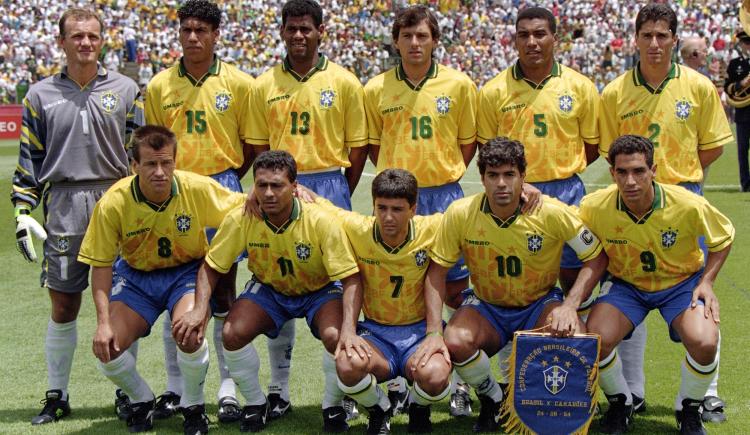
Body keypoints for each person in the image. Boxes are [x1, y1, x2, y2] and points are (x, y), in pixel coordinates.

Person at [598, 3, 733, 420]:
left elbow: (710, 145)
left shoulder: (697, 86)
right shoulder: (615, 92)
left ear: (674, 40)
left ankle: (702, 393)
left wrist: (676, 182)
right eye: (647, 35)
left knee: (696, 288)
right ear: (635, 39)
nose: (654, 43)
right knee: (631, 282)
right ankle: (633, 391)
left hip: (681, 200)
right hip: (632, 201)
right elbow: (610, 151)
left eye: (662, 35)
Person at [10, 8, 143, 425]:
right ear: (61, 41)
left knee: (121, 305)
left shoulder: (125, 88)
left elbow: (139, 156)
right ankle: (57, 394)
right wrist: (22, 209)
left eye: (93, 36)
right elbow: (29, 159)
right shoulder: (38, 95)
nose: (86, 43)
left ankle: (127, 391)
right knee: (65, 305)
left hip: (116, 201)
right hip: (64, 205)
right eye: (77, 36)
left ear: (102, 40)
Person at [429, 137, 607, 432]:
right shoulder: (461, 213)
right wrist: (434, 331)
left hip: (539, 304)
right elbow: (437, 272)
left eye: (509, 175)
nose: (501, 183)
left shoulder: (550, 212)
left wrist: (570, 305)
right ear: (481, 177)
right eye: (493, 175)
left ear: (523, 177)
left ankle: (558, 403)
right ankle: (493, 398)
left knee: (573, 332)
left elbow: (596, 257)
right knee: (455, 340)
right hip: (487, 307)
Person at [78, 125, 245, 434]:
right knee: (108, 345)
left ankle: (192, 406)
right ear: (134, 166)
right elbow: (100, 266)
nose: (159, 172)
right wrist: (101, 322)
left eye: (166, 163)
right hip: (136, 278)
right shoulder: (114, 202)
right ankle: (141, 399)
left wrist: (298, 192)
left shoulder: (195, 188)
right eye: (150, 164)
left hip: (185, 274)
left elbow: (246, 205)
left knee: (190, 334)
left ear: (175, 162)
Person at [180, 150, 362, 433]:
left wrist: (350, 328)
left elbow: (350, 278)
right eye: (261, 185)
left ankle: (332, 406)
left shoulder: (321, 219)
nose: (268, 193)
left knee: (336, 337)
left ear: (295, 186)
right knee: (232, 332)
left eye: (276, 185)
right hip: (270, 288)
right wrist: (199, 308)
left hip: (319, 289)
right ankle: (255, 403)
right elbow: (211, 266)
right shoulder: (244, 216)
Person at [246, 0, 368, 418]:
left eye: (306, 29)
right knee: (280, 280)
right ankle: (278, 390)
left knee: (337, 285)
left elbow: (358, 147)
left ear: (321, 31)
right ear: (281, 32)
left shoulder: (345, 81)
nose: (299, 35)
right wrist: (275, 186)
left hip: (330, 184)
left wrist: (335, 192)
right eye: (292, 28)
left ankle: (339, 397)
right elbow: (259, 148)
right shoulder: (263, 85)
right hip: (279, 187)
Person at [363, 4, 477, 416]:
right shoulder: (375, 88)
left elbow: (468, 144)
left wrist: (441, 174)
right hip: (398, 200)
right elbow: (374, 147)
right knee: (395, 284)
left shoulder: (459, 85)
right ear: (396, 41)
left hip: (445, 197)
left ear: (434, 40)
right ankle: (396, 379)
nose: (415, 43)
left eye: (422, 36)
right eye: (407, 36)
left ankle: (461, 379)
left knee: (456, 289)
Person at [144, 0, 254, 422]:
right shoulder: (158, 86)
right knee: (176, 285)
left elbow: (252, 146)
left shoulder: (240, 83)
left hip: (222, 188)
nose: (193, 37)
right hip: (172, 193)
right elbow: (154, 148)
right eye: (186, 30)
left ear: (215, 35)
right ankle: (176, 388)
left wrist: (219, 180)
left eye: (201, 31)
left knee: (223, 288)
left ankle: (227, 386)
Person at [580, 135, 734, 435]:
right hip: (626, 286)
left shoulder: (687, 204)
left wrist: (707, 282)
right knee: (594, 341)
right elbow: (563, 223)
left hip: (680, 284)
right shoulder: (594, 206)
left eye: (639, 171)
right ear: (612, 173)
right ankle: (620, 404)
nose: (631, 180)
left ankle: (688, 408)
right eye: (622, 172)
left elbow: (724, 237)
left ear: (654, 170)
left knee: (704, 341)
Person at [302, 169, 450, 434]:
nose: (388, 217)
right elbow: (316, 203)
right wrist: (290, 190)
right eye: (381, 208)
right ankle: (379, 408)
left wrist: (525, 193)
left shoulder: (434, 227)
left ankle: (418, 407)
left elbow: (471, 213)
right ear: (373, 206)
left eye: (397, 209)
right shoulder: (358, 228)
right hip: (376, 334)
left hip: (418, 334)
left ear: (413, 209)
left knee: (437, 376)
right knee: (346, 365)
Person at [477, 5, 600, 292]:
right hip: (517, 195)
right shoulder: (494, 91)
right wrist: (518, 185)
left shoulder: (580, 87)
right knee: (520, 276)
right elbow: (487, 149)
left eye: (539, 34)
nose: (532, 42)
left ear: (554, 38)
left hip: (568, 191)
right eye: (524, 35)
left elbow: (592, 146)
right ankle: (519, 336)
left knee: (574, 274)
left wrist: (563, 169)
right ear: (515, 41)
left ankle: (573, 333)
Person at [725, 30, 750, 193]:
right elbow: (728, 88)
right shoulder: (735, 64)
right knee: (742, 150)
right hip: (743, 114)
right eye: (745, 43)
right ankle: (746, 183)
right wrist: (742, 83)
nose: (748, 46)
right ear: (740, 44)